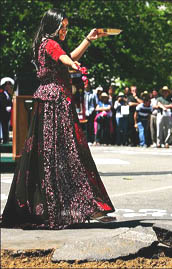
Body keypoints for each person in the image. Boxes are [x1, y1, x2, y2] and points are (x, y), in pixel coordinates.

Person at [1, 9, 115, 229]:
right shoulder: (50, 44)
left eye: (66, 27)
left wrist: (88, 40)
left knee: (52, 156)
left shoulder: (43, 44)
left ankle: (61, 207)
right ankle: (86, 206)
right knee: (70, 155)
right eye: (62, 27)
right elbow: (65, 59)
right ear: (52, 25)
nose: (64, 30)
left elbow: (67, 57)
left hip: (51, 104)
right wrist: (74, 66)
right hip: (55, 105)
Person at [0, 77, 14, 144]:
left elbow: (10, 102)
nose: (9, 86)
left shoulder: (8, 94)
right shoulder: (2, 94)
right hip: (2, 113)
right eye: (7, 85)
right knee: (3, 127)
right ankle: (4, 139)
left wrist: (10, 106)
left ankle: (6, 139)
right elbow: (1, 102)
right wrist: (5, 107)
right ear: (4, 86)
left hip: (7, 114)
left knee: (6, 127)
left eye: (9, 85)